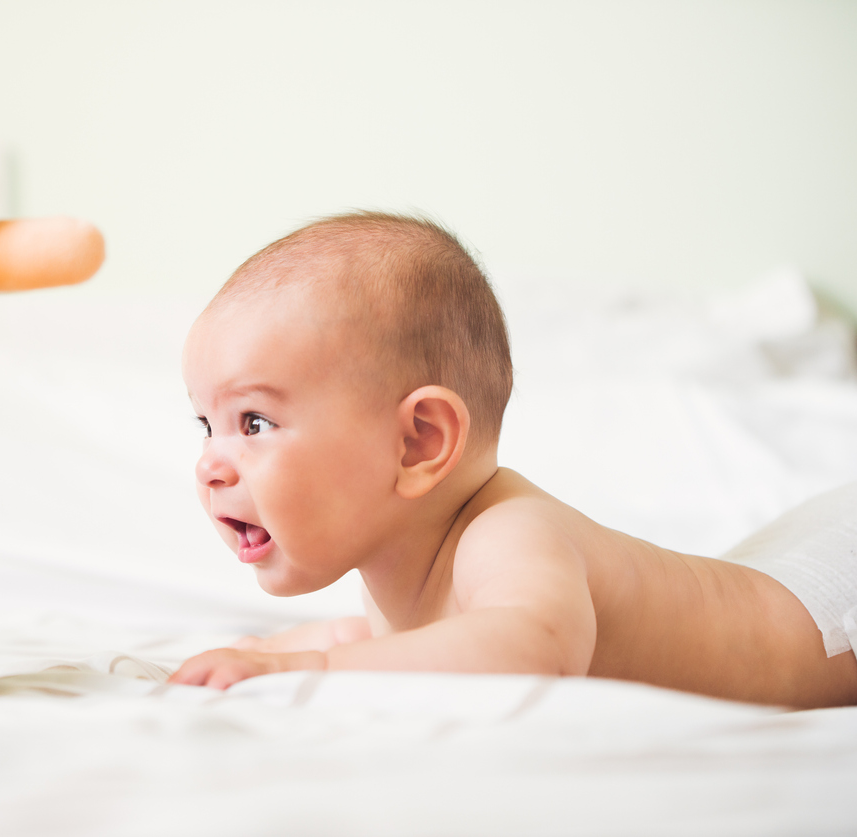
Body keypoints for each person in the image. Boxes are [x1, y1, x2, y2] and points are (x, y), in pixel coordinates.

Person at [168, 211, 857, 708]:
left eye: (253, 421)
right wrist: (258, 655)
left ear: (419, 443)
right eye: (208, 425)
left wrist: (317, 667)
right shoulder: (398, 574)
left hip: (830, 602)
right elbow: (375, 636)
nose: (211, 464)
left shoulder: (509, 532)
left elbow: (530, 649)